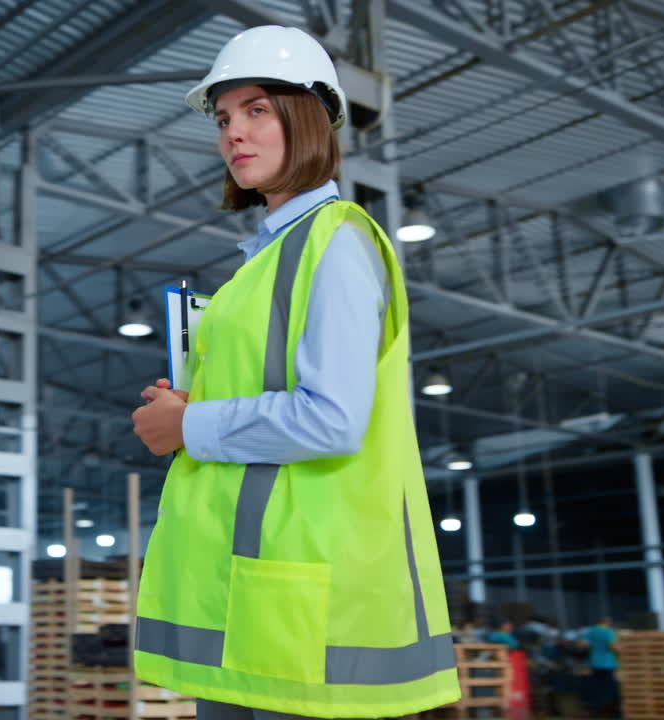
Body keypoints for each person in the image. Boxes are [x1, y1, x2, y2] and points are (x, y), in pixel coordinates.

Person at [128, 25, 460, 720]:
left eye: (256, 110)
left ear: (308, 116)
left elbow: (333, 418)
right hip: (252, 598)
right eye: (223, 118)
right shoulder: (266, 259)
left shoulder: (335, 242)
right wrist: (190, 406)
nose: (233, 134)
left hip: (299, 601)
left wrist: (189, 422)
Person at [582, 617, 619, 717]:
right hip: (608, 663)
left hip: (595, 663)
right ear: (607, 623)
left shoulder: (590, 631)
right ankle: (612, 710)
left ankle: (596, 711)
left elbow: (583, 645)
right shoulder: (608, 632)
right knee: (611, 687)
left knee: (597, 687)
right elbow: (614, 646)